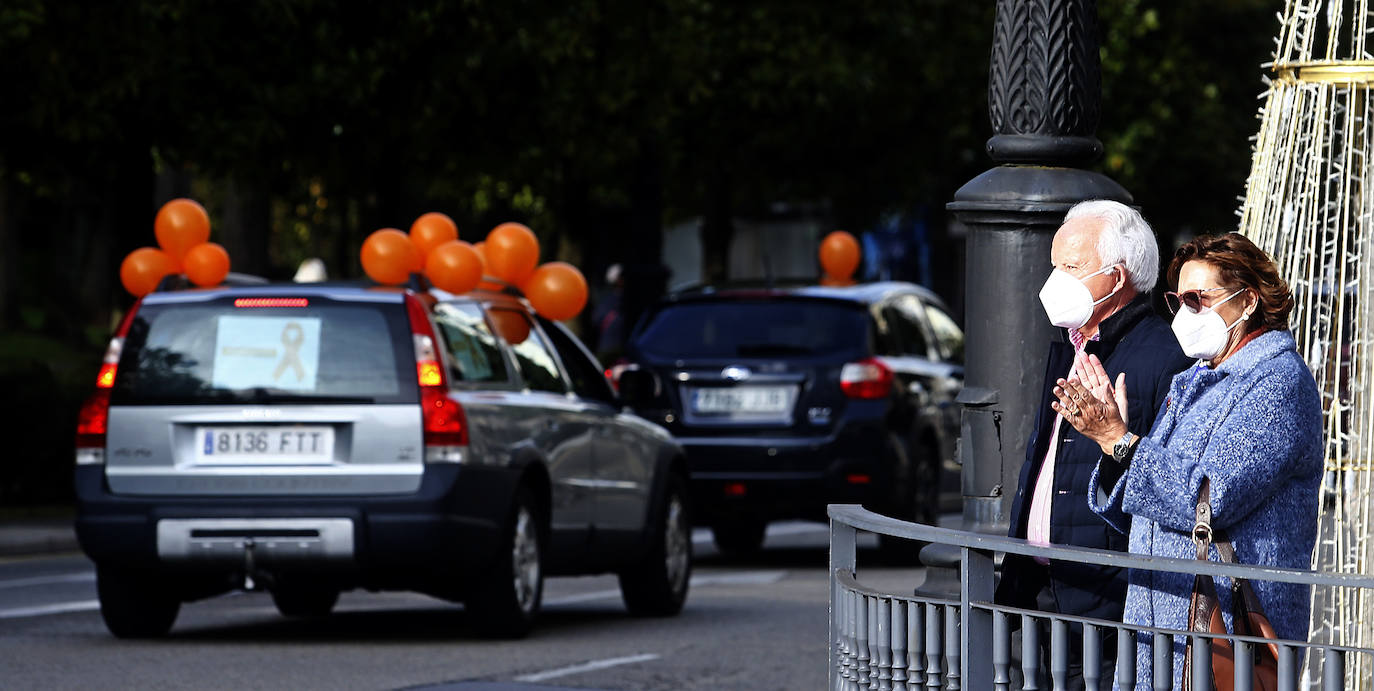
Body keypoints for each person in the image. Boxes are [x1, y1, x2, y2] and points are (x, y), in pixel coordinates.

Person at [1055, 232, 1322, 689]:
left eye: (1198, 298)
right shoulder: (1195, 378)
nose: (1184, 313)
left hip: (1222, 635)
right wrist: (1111, 443)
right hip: (1158, 626)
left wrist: (1120, 439)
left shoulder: (1277, 382)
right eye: (1178, 299)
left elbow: (1209, 500)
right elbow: (1146, 500)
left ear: (1249, 300)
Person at [996, 200, 1192, 688]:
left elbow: (1164, 479)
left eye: (1072, 267)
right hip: (1044, 589)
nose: (1055, 280)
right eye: (1054, 265)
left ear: (1117, 277)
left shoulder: (1164, 357)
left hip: (1106, 599)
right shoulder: (1072, 342)